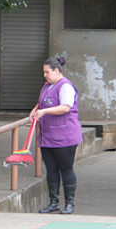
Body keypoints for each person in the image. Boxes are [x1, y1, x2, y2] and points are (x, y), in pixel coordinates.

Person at [29, 56, 83, 214]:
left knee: (66, 169)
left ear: (57, 71)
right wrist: (35, 111)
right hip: (47, 136)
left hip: (64, 136)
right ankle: (53, 202)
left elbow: (65, 107)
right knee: (51, 170)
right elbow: (42, 102)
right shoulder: (47, 86)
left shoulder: (65, 87)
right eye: (44, 72)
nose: (45, 75)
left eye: (47, 72)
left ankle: (69, 203)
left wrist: (44, 111)